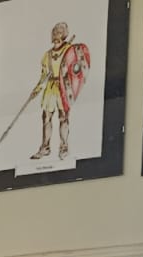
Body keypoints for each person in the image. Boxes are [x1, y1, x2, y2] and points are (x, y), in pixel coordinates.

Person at [30, 23, 91, 161]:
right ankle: (45, 147)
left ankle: (64, 147)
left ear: (64, 34)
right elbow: (44, 75)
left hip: (64, 87)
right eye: (54, 32)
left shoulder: (70, 50)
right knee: (46, 118)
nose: (56, 35)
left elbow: (76, 68)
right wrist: (37, 89)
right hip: (50, 89)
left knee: (63, 117)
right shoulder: (47, 55)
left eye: (59, 32)